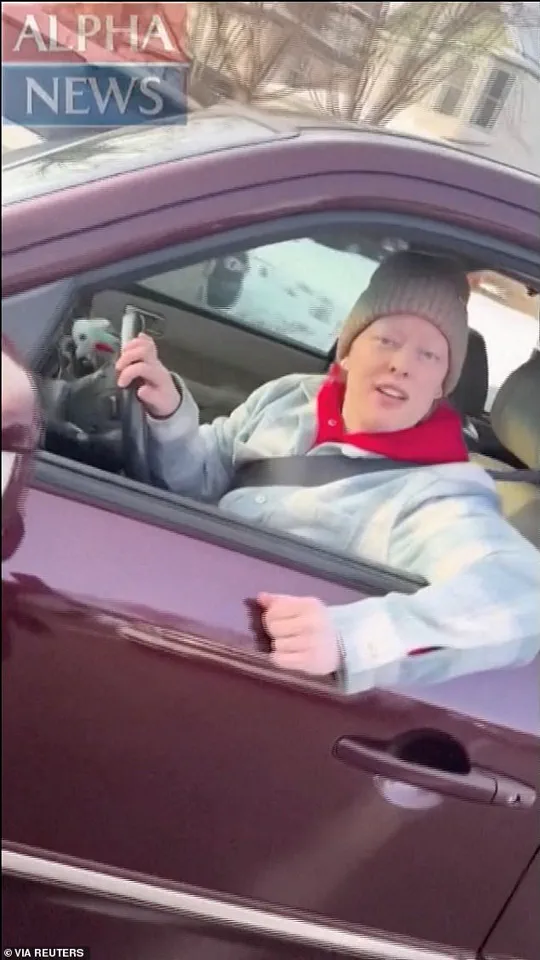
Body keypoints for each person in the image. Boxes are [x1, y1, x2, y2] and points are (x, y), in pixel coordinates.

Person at [115, 252, 540, 693]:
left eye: (429, 355)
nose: (402, 364)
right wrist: (169, 415)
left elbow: (522, 594)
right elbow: (202, 478)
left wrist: (352, 638)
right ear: (349, 350)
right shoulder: (289, 397)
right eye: (387, 340)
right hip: (169, 601)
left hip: (246, 666)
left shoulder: (435, 493)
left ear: (440, 387)